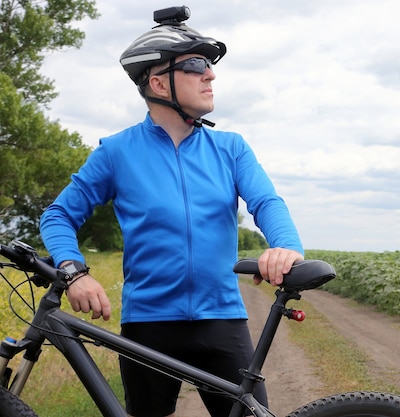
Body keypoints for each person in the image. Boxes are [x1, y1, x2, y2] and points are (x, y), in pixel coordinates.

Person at [39, 6, 304, 417]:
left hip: (222, 319)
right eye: (196, 65)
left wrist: (284, 246)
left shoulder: (231, 148)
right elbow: (58, 215)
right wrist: (74, 271)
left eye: (210, 67)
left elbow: (267, 203)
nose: (210, 75)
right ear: (159, 82)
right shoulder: (117, 152)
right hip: (149, 326)